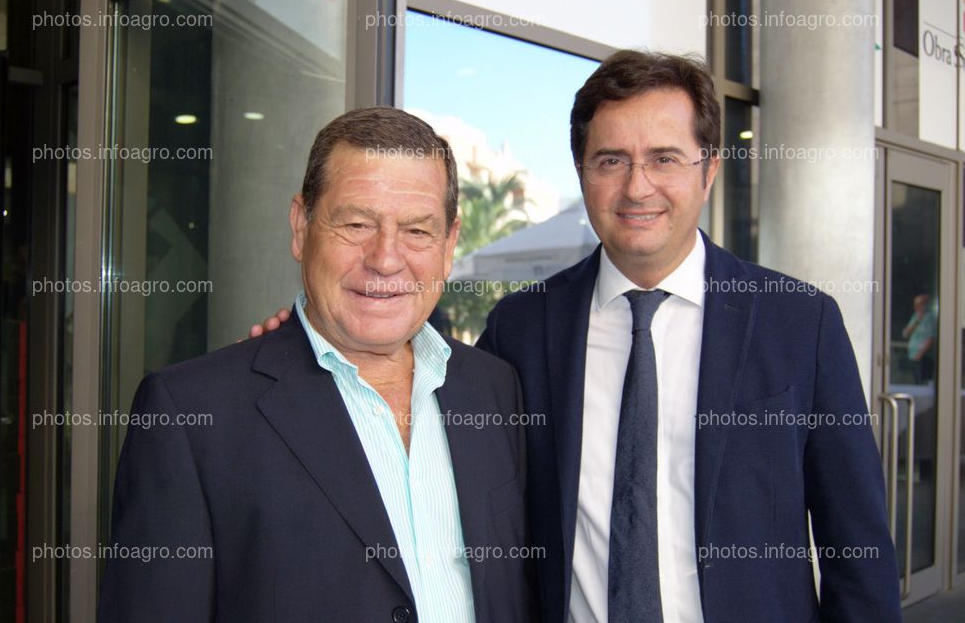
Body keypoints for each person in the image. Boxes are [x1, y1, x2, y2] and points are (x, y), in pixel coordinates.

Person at [254, 51, 902, 622]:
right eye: (610, 160)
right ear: (582, 171)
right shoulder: (523, 327)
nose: (636, 186)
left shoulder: (799, 323)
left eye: (664, 159)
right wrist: (304, 342)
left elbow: (858, 550)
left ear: (708, 171)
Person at [99, 107, 532, 622]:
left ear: (449, 244)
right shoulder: (191, 417)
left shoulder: (495, 388)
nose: (386, 258)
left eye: (417, 230)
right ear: (301, 227)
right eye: (355, 223)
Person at [902, 293, 936, 384]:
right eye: (915, 305)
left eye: (919, 304)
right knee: (916, 380)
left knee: (922, 381)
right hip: (913, 355)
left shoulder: (930, 318)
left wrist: (920, 354)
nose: (916, 307)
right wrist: (917, 321)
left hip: (923, 356)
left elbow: (931, 338)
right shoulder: (915, 317)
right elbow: (905, 334)